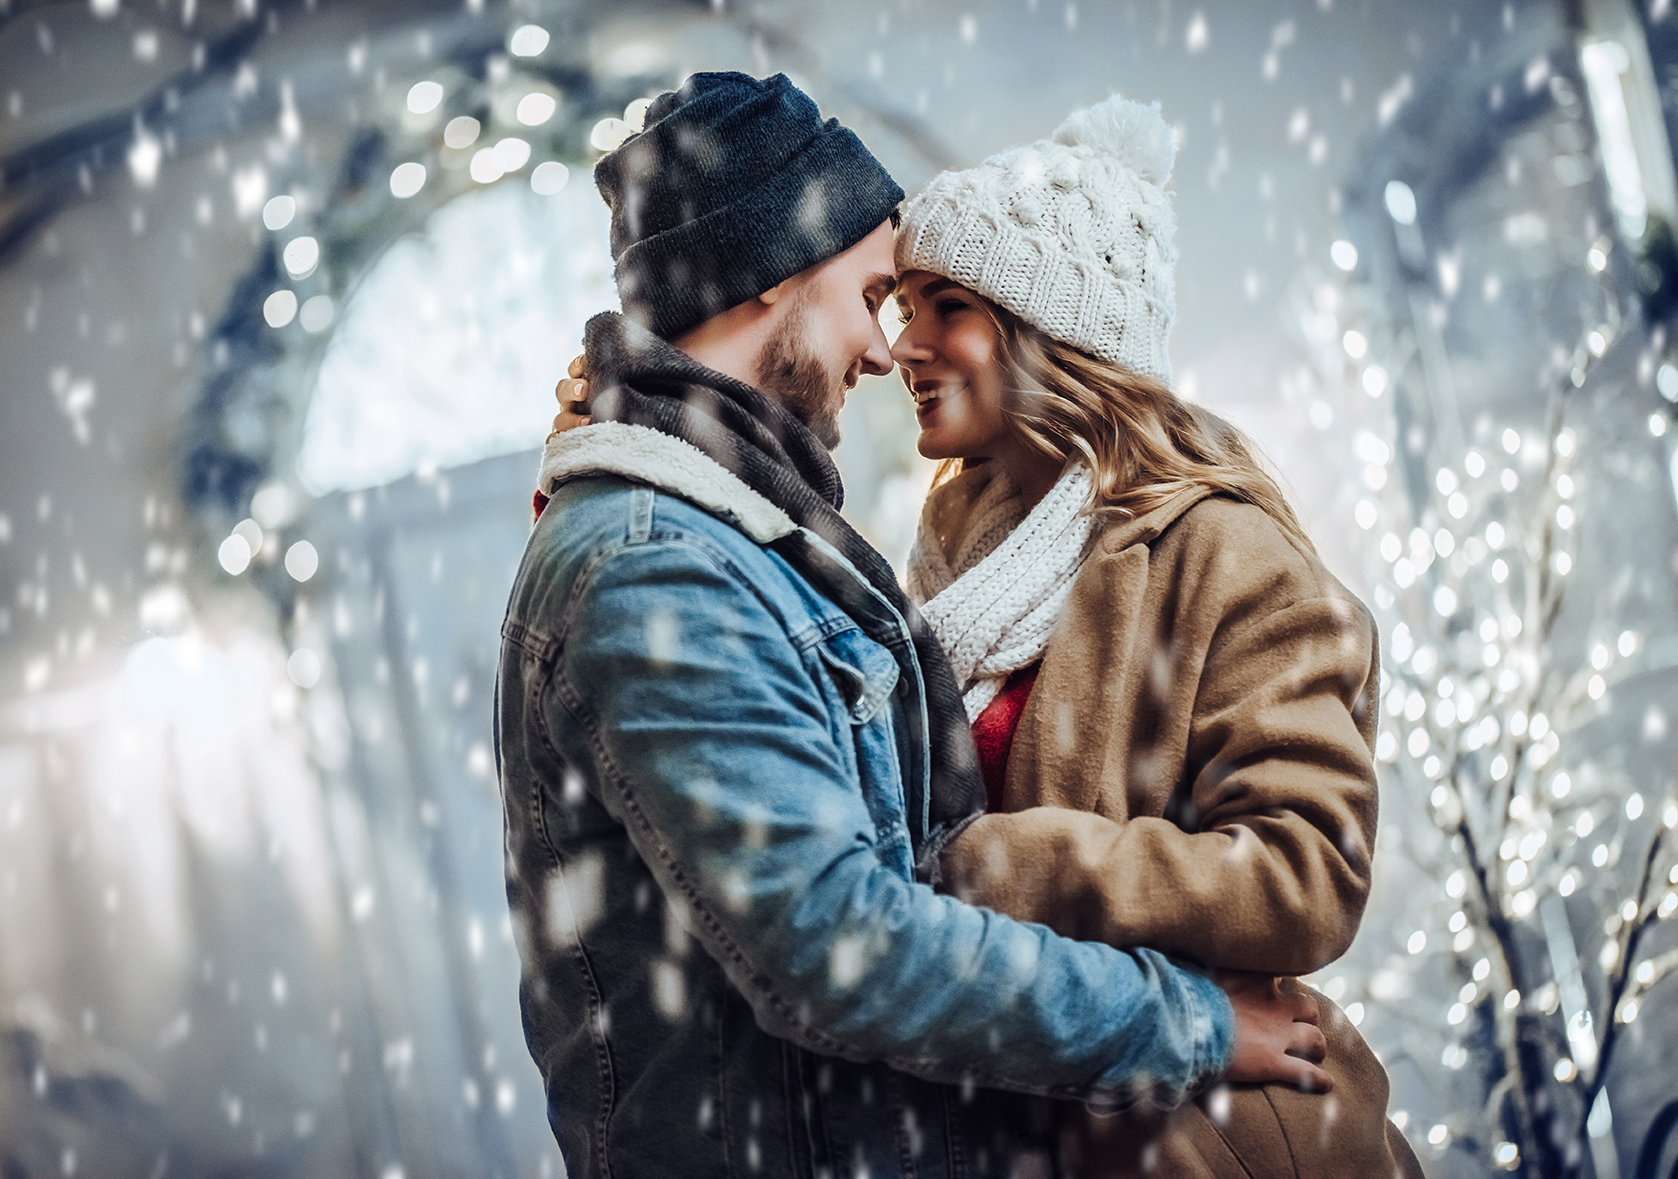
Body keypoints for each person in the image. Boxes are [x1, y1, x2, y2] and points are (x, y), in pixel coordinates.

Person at [498, 73, 1325, 1179]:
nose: (886, 352)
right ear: (770, 279)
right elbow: (843, 944)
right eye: (874, 294)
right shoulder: (659, 565)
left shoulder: (735, 537)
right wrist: (1187, 1025)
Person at [885, 97, 1425, 1177]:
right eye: (900, 305)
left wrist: (1011, 869)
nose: (904, 344)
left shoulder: (1220, 552)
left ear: (1052, 332)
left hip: (1211, 1138)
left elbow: (1305, 872)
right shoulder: (950, 564)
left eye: (944, 304)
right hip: (1029, 1127)